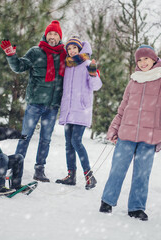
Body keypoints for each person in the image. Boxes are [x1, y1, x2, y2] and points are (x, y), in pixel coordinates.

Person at [99, 45, 161, 220]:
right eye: (139, 60)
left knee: (142, 173)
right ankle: (107, 201)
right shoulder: (134, 81)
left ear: (154, 59)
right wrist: (114, 128)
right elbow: (123, 108)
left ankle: (136, 208)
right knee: (117, 169)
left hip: (150, 136)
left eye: (146, 59)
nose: (142, 63)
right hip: (126, 133)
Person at [0, 20, 67, 182]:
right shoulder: (36, 52)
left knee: (46, 139)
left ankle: (39, 170)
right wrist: (11, 55)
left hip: (52, 106)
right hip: (35, 103)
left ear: (60, 37)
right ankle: (16, 166)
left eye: (55, 34)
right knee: (25, 136)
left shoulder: (64, 55)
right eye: (50, 33)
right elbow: (19, 66)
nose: (52, 37)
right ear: (45, 35)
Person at [55, 36, 102, 190]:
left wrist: (93, 74)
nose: (71, 51)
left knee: (76, 141)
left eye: (74, 48)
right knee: (69, 144)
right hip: (69, 111)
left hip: (81, 109)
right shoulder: (68, 66)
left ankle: (89, 176)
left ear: (80, 48)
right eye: (69, 49)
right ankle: (71, 175)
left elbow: (96, 87)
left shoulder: (88, 64)